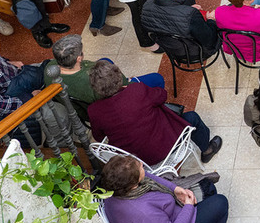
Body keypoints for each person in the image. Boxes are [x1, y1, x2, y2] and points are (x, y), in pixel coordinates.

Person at [98, 155, 242, 223]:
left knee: (208, 188)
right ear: (133, 184)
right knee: (220, 202)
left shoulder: (116, 189)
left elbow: (149, 177)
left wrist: (175, 188)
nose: (142, 164)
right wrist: (188, 206)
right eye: (140, 167)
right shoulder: (141, 212)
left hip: (167, 219)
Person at [87, 59, 221, 166]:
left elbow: (99, 137)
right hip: (167, 148)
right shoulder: (136, 90)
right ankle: (206, 150)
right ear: (118, 77)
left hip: (132, 163)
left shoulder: (93, 110)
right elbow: (162, 95)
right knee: (192, 117)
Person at [47, 34, 163, 117]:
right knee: (157, 79)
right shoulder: (92, 81)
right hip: (106, 104)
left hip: (81, 106)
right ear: (78, 59)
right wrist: (126, 81)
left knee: (105, 60)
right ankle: (159, 108)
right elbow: (121, 89)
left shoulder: (49, 68)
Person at [141, 0, 221, 60]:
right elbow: (208, 39)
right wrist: (211, 20)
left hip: (171, 50)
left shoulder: (146, 5)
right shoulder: (190, 15)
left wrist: (187, 9)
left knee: (188, 0)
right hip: (196, 52)